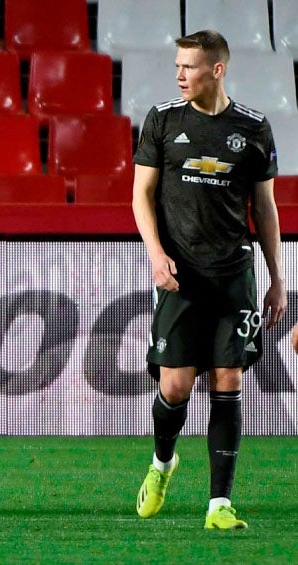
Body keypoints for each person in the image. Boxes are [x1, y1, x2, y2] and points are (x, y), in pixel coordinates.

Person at [131, 29, 285, 530]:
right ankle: (162, 463)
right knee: (175, 387)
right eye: (176, 66)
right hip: (180, 275)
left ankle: (219, 503)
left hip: (235, 274)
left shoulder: (254, 128)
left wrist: (277, 278)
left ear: (216, 70)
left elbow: (264, 206)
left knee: (228, 379)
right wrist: (156, 254)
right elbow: (141, 196)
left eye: (189, 67)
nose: (179, 75)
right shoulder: (161, 121)